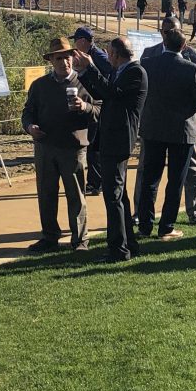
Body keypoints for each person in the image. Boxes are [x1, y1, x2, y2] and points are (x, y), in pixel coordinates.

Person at [21, 37, 98, 253]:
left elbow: (101, 110)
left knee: (76, 195)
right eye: (59, 58)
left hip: (73, 148)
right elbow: (28, 112)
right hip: (45, 147)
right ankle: (49, 237)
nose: (64, 62)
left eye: (67, 57)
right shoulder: (40, 85)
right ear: (51, 61)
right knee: (46, 194)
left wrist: (85, 107)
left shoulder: (85, 83)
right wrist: (29, 127)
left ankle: (80, 240)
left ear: (73, 57)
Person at [74, 37, 147, 261]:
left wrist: (91, 68)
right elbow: (102, 93)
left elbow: (112, 93)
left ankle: (118, 249)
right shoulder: (122, 71)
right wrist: (85, 73)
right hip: (111, 138)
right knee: (119, 195)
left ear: (116, 54)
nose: (108, 57)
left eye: (109, 53)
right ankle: (128, 244)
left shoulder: (136, 72)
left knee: (113, 197)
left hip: (119, 139)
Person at [137, 28, 196, 240]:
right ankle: (166, 226)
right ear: (184, 47)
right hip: (181, 130)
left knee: (150, 179)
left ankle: (144, 225)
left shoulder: (148, 65)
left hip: (153, 129)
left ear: (164, 43)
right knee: (175, 180)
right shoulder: (190, 68)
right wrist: (182, 113)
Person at [71, 27, 112, 197]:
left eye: (76, 40)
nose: (74, 44)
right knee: (94, 146)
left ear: (82, 41)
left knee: (95, 146)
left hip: (100, 107)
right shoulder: (90, 55)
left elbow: (110, 73)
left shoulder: (97, 56)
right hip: (95, 104)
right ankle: (97, 182)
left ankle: (96, 183)